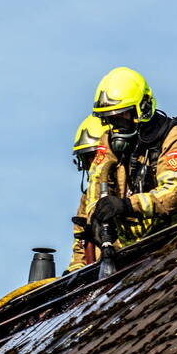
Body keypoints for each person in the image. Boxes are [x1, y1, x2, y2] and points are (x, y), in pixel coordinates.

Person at [66, 67, 177, 273]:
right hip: (127, 249)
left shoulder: (173, 137)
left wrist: (127, 205)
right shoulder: (108, 140)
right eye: (110, 119)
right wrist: (96, 216)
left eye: (120, 117)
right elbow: (96, 181)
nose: (115, 126)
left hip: (170, 237)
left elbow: (175, 192)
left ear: (142, 108)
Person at [68, 115, 110, 271]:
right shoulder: (86, 200)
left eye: (95, 156)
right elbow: (80, 252)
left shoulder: (130, 187)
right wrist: (75, 273)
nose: (93, 165)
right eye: (87, 159)